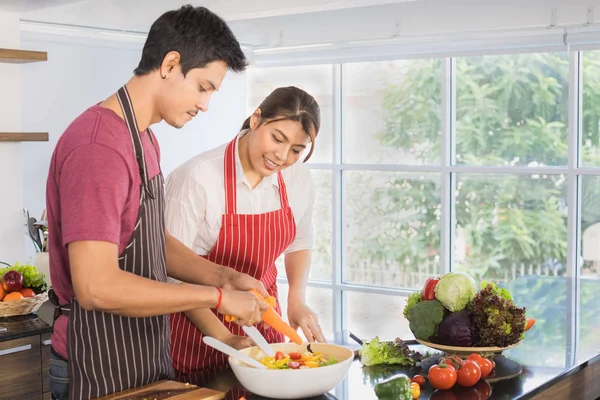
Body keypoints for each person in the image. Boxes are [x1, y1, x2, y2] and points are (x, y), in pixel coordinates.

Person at [45, 6, 270, 400]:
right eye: (204, 87)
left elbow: (148, 240)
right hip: (96, 367)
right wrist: (216, 298)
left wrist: (221, 276)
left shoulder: (143, 137)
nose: (205, 105)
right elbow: (96, 286)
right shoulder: (99, 147)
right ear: (169, 65)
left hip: (141, 360)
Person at [165, 86, 326, 383]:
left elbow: (299, 242)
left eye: (296, 150)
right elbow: (172, 275)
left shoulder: (297, 177)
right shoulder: (197, 178)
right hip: (197, 339)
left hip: (265, 334)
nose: (281, 156)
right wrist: (225, 337)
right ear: (255, 119)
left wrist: (296, 299)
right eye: (277, 138)